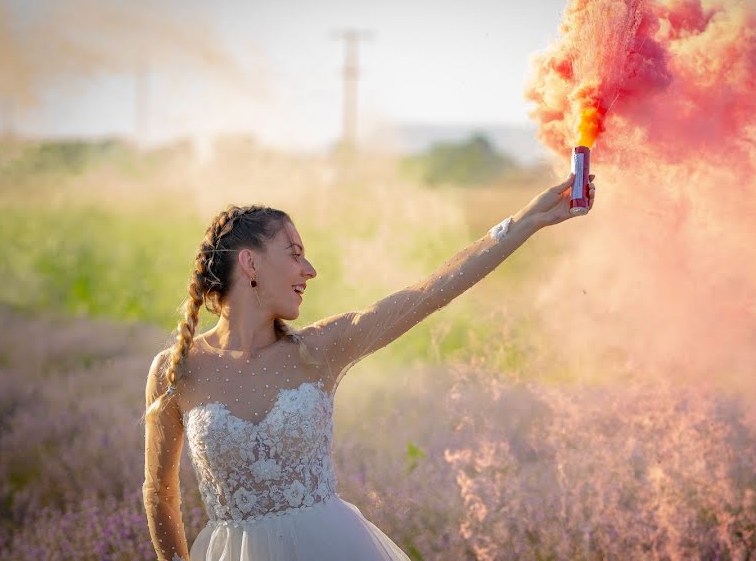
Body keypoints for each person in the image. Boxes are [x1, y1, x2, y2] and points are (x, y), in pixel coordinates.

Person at [142, 171, 596, 560]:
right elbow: (159, 493)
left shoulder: (320, 349)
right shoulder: (177, 370)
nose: (310, 270)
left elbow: (428, 292)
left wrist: (526, 222)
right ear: (250, 263)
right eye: (295, 253)